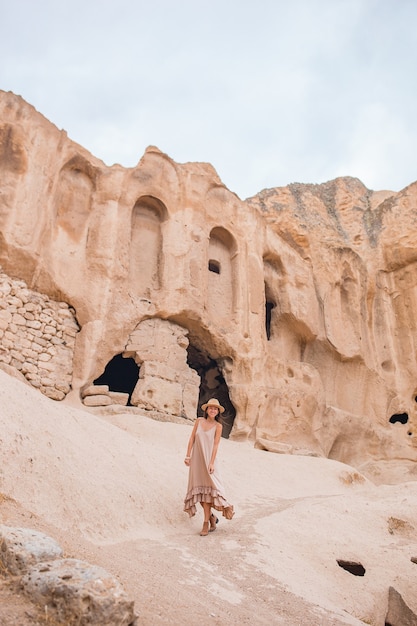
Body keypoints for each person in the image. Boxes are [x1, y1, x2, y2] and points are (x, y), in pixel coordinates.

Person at [183, 398, 234, 536]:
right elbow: (192, 438)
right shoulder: (199, 421)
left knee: (209, 492)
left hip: (209, 462)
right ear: (206, 409)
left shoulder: (218, 426)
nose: (213, 410)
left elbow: (216, 445)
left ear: (218, 412)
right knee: (199, 492)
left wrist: (211, 463)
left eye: (215, 409)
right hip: (197, 460)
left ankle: (205, 523)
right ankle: (211, 518)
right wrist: (188, 456)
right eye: (211, 408)